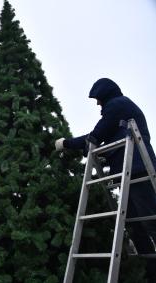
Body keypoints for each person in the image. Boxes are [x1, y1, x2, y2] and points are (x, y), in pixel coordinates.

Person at [55, 78, 156, 281]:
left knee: (150, 220)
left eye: (98, 99)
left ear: (105, 95)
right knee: (134, 223)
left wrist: (65, 143)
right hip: (128, 174)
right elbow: (100, 137)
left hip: (138, 170)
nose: (98, 104)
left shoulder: (117, 104)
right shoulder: (117, 115)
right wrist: (77, 146)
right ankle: (151, 270)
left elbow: (96, 135)